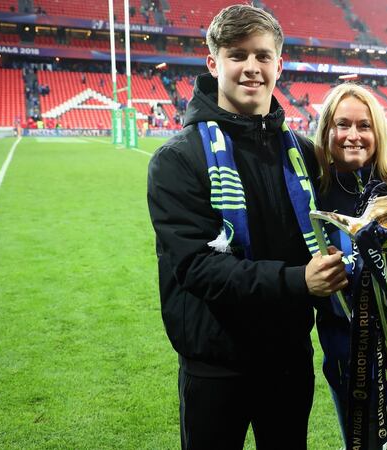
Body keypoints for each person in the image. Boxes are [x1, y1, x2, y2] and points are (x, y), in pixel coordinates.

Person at [146, 5, 347, 449]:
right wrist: (299, 281)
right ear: (214, 63)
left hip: (289, 360)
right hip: (216, 365)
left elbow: (363, 195)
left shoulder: (303, 154)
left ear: (279, 64)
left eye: (262, 55)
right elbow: (197, 266)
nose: (251, 68)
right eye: (237, 55)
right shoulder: (178, 159)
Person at [313, 82, 387, 449]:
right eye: (342, 125)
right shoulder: (310, 193)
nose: (353, 136)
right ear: (326, 130)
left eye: (364, 126)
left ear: (379, 131)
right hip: (347, 357)